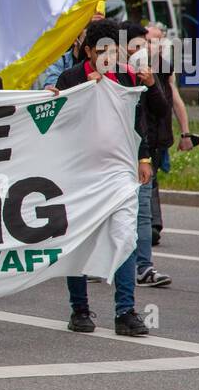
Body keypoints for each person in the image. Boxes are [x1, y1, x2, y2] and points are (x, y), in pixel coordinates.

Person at [52, 18, 168, 337]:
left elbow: (142, 117)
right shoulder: (71, 77)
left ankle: (126, 311)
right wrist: (61, 96)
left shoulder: (128, 76)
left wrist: (143, 156)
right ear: (88, 51)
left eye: (114, 51)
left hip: (120, 171)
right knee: (79, 240)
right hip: (80, 172)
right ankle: (80, 309)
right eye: (102, 51)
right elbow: (56, 122)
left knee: (125, 238)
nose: (109, 57)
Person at [118, 22, 174, 290]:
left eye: (147, 45)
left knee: (142, 214)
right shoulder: (112, 74)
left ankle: (144, 267)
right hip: (115, 156)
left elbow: (163, 109)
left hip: (144, 153)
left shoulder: (154, 72)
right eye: (137, 46)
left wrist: (152, 85)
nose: (144, 50)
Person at [143, 22, 193, 247]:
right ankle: (151, 225)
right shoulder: (132, 66)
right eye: (151, 40)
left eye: (160, 40)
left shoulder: (164, 67)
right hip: (143, 134)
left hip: (160, 135)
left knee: (152, 177)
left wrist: (186, 133)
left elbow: (176, 99)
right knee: (147, 177)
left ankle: (152, 224)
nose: (156, 44)